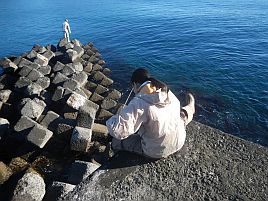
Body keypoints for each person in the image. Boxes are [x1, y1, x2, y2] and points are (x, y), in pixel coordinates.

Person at [106, 68, 195, 159]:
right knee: (182, 116)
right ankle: (190, 108)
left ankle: (113, 159)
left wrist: (113, 118)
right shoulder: (166, 91)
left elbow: (119, 132)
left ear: (134, 85)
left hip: (158, 150)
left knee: (116, 141)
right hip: (180, 140)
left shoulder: (138, 102)